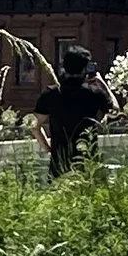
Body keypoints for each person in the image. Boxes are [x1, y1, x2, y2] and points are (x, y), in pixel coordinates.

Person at [34, 42, 113, 177]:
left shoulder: (50, 93)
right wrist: (102, 83)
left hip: (59, 164)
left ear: (64, 66)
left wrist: (49, 149)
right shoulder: (93, 93)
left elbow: (34, 126)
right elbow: (115, 110)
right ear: (85, 69)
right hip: (88, 161)